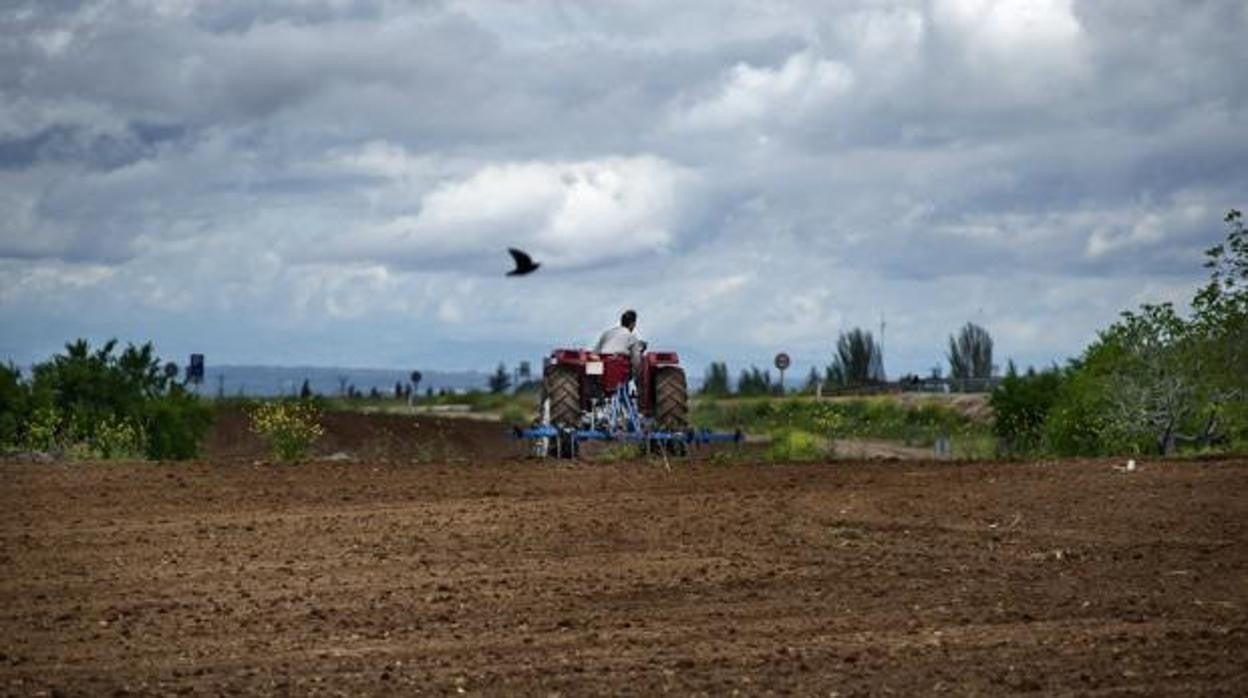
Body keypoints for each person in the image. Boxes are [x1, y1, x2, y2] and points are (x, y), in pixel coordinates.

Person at [594, 309, 646, 374]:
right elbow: (636, 361)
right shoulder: (631, 337)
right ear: (633, 324)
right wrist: (638, 372)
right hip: (619, 369)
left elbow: (594, 353)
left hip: (602, 370)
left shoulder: (606, 333)